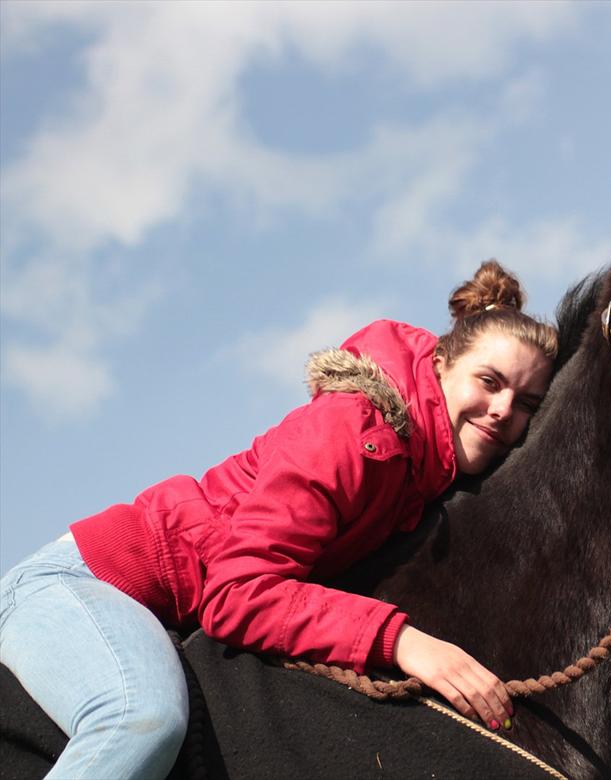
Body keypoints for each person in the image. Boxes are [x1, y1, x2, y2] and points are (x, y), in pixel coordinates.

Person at [0, 260, 557, 779]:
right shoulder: (354, 428)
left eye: (527, 402)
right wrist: (404, 642)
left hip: (164, 614)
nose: (505, 410)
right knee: (138, 720)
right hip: (83, 582)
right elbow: (236, 592)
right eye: (490, 381)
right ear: (440, 364)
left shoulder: (424, 477)